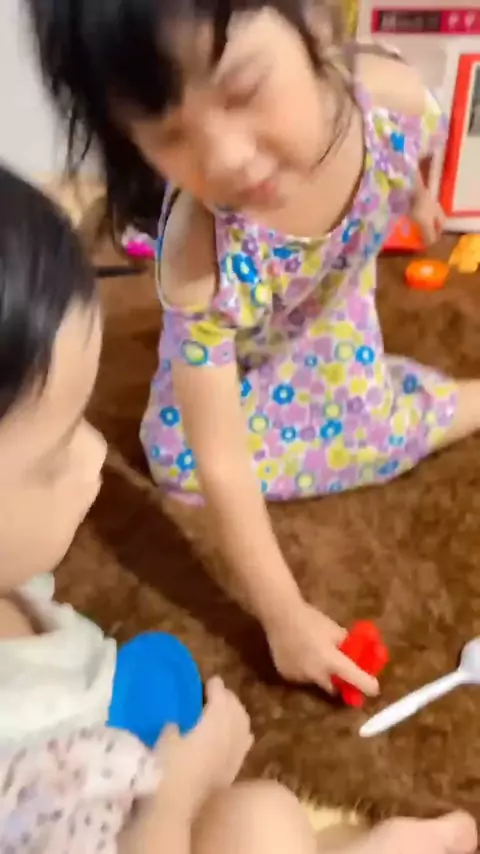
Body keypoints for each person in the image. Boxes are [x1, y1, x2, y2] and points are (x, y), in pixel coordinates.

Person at [26, 0, 480, 697]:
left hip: (332, 322)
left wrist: (418, 201)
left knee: (371, 414)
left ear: (316, 21)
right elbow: (221, 458)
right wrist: (284, 616)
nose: (228, 160)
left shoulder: (391, 99)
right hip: (238, 383)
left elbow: (411, 150)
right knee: (193, 463)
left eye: (243, 90)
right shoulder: (199, 251)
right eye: (171, 136)